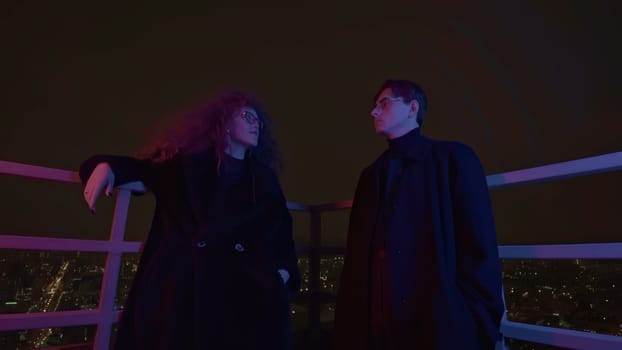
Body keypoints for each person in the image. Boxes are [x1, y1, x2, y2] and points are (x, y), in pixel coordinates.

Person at [80, 91, 300, 350]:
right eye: (246, 116)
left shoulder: (264, 180)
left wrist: (283, 274)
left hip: (244, 293)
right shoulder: (183, 165)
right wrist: (106, 167)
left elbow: (281, 232)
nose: (256, 124)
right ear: (224, 124)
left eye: (258, 120)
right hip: (183, 288)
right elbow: (144, 168)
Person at [333, 80, 504, 349]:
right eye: (374, 106)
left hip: (437, 325)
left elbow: (479, 245)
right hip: (377, 330)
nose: (374, 112)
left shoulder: (453, 159)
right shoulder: (371, 175)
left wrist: (474, 320)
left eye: (384, 103)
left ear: (413, 108)